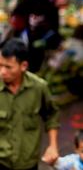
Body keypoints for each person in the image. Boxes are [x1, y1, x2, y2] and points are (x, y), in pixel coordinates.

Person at [0, 38, 60, 169]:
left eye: (8, 67)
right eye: (0, 65)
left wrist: (53, 146)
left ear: (23, 66)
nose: (2, 72)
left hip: (27, 163)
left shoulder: (39, 88)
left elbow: (52, 115)